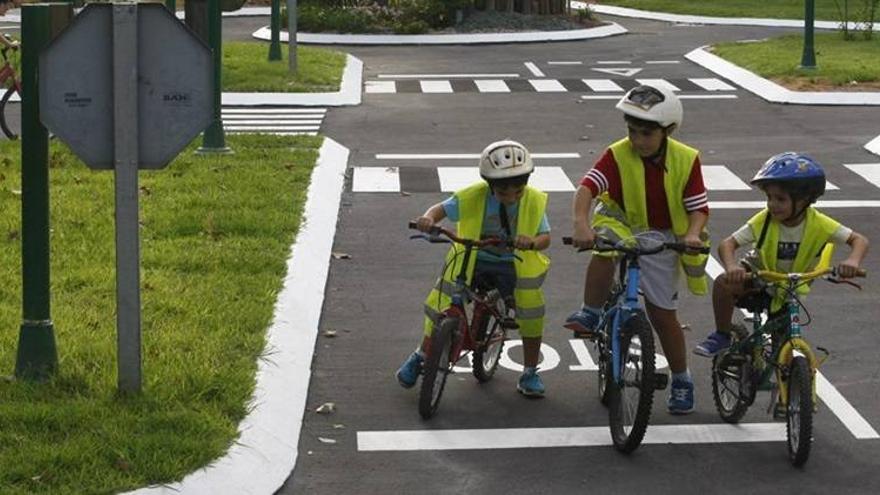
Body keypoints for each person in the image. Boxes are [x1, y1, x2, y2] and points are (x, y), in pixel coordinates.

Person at [565, 84, 710, 415]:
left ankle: (682, 378)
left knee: (662, 315)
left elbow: (698, 207)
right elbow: (588, 187)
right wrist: (580, 224)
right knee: (605, 249)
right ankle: (591, 310)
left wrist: (692, 234)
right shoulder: (617, 153)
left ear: (667, 130)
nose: (637, 140)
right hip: (622, 224)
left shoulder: (687, 159)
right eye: (632, 131)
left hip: (663, 235)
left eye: (646, 133)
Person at [396, 140, 552, 397]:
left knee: (530, 311)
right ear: (490, 186)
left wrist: (532, 241)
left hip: (512, 263)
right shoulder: (472, 195)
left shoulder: (533, 200)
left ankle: (530, 371)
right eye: (503, 192)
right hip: (473, 257)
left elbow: (545, 238)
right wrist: (428, 219)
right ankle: (421, 355)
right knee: (441, 303)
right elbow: (440, 210)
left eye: (518, 190)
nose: (512, 197)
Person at [694, 152, 869, 357]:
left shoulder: (820, 224)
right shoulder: (765, 220)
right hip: (759, 276)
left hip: (790, 286)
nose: (772, 204)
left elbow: (859, 240)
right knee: (724, 283)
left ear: (804, 200)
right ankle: (722, 334)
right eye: (769, 197)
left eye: (780, 199)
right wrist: (732, 267)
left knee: (782, 352)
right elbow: (727, 244)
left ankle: (786, 382)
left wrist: (852, 261)